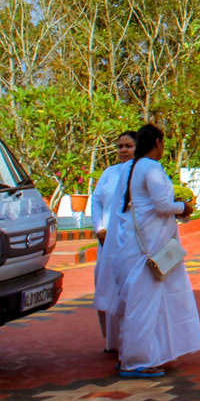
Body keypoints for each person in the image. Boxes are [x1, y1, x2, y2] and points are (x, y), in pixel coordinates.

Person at [113, 123, 200, 378]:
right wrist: (183, 207)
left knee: (143, 302)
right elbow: (162, 204)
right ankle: (136, 360)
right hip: (149, 249)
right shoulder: (150, 167)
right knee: (145, 303)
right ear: (158, 143)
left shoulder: (137, 167)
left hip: (142, 244)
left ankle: (147, 353)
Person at [90, 129, 136, 351]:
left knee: (127, 291)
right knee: (105, 286)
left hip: (129, 242)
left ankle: (130, 341)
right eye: (120, 146)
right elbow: (96, 201)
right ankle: (111, 342)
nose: (123, 150)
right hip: (105, 243)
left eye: (128, 146)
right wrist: (99, 228)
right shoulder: (109, 173)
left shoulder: (141, 172)